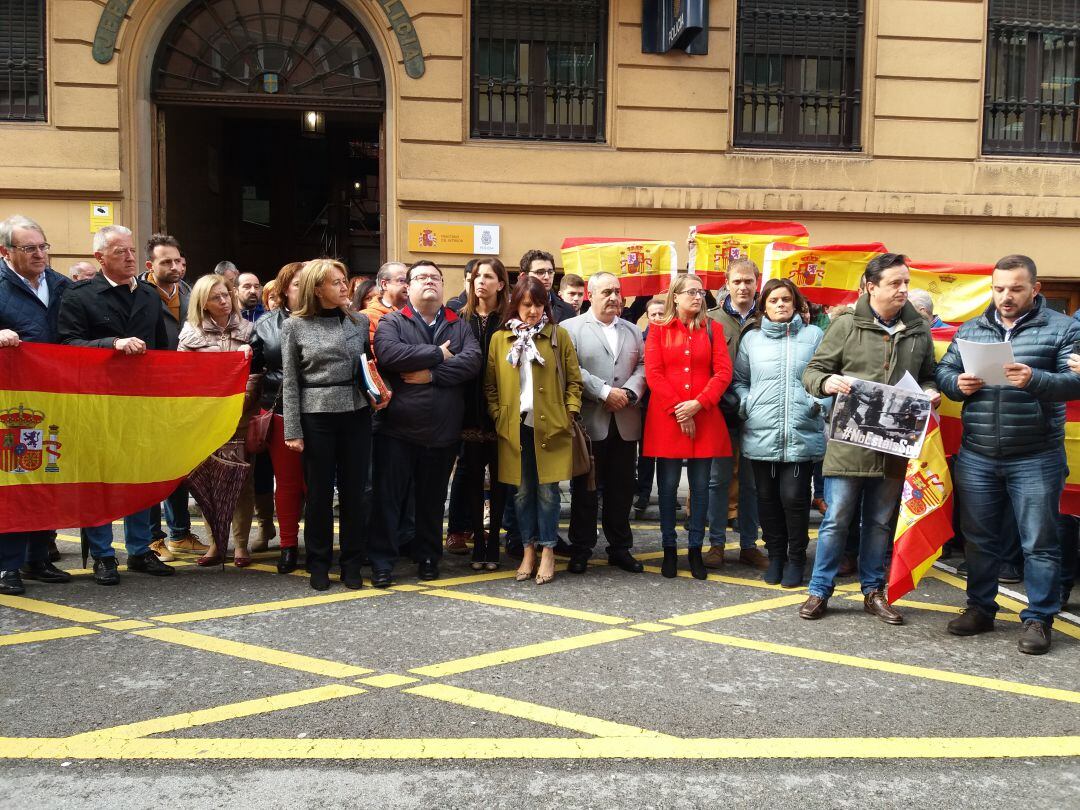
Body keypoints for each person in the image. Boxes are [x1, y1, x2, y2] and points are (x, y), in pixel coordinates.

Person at [937, 255, 1080, 655]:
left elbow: (1076, 383)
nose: (1006, 297)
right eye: (999, 289)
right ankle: (980, 609)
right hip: (979, 454)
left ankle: (1038, 618)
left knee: (1039, 542)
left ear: (1035, 290)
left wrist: (1037, 379)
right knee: (979, 541)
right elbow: (944, 371)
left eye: (1016, 289)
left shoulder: (1063, 328)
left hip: (1036, 455)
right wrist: (956, 383)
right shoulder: (972, 328)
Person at [800, 253, 940, 624]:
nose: (904, 290)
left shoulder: (917, 329)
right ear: (870, 286)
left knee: (880, 522)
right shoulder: (847, 324)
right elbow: (814, 371)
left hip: (895, 445)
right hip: (849, 441)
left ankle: (874, 591)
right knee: (838, 518)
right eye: (895, 283)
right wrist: (827, 383)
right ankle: (819, 590)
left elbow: (929, 375)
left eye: (906, 282)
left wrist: (930, 392)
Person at [57, 224, 173, 585]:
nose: (129, 256)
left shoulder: (150, 296)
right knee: (100, 481)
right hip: (97, 403)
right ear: (99, 257)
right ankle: (104, 556)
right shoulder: (79, 296)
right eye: (119, 251)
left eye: (131, 251)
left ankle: (140, 550)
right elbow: (68, 346)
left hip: (139, 403)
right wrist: (112, 343)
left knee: (138, 477)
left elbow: (162, 351)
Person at [369, 260, 482, 586]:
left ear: (442, 285)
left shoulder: (458, 324)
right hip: (397, 431)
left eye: (434, 277)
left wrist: (429, 374)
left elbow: (471, 362)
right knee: (388, 501)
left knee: (432, 502)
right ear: (409, 287)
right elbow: (389, 354)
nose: (428, 281)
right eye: (420, 277)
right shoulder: (393, 321)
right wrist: (438, 354)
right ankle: (382, 562)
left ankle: (429, 557)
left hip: (442, 433)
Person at [282, 259, 378, 591]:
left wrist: (376, 393)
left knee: (355, 494)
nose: (343, 287)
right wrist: (292, 429)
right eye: (335, 282)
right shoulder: (295, 326)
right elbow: (290, 382)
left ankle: (352, 563)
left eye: (344, 281)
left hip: (356, 413)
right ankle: (319, 563)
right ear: (317, 288)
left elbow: (366, 367)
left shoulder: (360, 321)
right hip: (316, 415)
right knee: (320, 495)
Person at [486, 274, 583, 585]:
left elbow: (574, 381)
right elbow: (490, 385)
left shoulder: (558, 335)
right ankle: (528, 549)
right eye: (527, 304)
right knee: (523, 493)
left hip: (550, 426)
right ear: (516, 304)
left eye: (539, 304)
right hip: (514, 426)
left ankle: (549, 551)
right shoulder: (501, 339)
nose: (533, 311)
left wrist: (569, 413)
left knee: (548, 493)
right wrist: (499, 414)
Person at [733, 278, 827, 588]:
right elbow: (739, 381)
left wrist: (817, 403)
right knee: (767, 499)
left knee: (794, 499)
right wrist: (747, 403)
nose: (781, 305)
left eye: (786, 299)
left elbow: (827, 375)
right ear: (764, 307)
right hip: (761, 430)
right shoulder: (752, 340)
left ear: (795, 302)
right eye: (774, 300)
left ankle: (797, 559)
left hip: (801, 430)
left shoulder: (814, 335)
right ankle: (776, 557)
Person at [0, 214, 72, 594]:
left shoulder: (62, 284)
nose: (40, 254)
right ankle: (7, 566)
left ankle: (37, 557)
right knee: (17, 479)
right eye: (30, 249)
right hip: (13, 406)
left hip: (55, 399)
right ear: (5, 252)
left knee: (47, 477)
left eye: (43, 247)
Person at [644, 273, 733, 580]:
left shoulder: (714, 329)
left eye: (701, 292)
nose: (698, 297)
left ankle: (695, 548)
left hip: (704, 416)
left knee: (700, 489)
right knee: (667, 488)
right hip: (667, 419)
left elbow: (722, 373)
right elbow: (654, 374)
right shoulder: (657, 330)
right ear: (676, 297)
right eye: (691, 292)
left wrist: (698, 404)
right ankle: (670, 548)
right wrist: (681, 411)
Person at [563, 272, 647, 574]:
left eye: (617, 292)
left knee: (622, 489)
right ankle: (581, 548)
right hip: (589, 422)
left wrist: (629, 392)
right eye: (607, 292)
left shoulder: (632, 330)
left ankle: (620, 548)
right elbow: (570, 367)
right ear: (590, 293)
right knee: (585, 489)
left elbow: (642, 365)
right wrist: (603, 392)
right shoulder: (569, 329)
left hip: (625, 420)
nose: (614, 297)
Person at [177, 274, 260, 566]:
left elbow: (257, 374)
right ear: (203, 303)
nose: (224, 301)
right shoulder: (190, 335)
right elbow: (184, 379)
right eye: (216, 297)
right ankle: (215, 544)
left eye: (226, 295)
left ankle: (240, 545)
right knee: (208, 482)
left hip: (240, 417)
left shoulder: (250, 330)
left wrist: (240, 399)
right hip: (205, 419)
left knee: (241, 481)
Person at [139, 232, 203, 562]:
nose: (176, 266)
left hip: (182, 394)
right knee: (151, 470)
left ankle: (180, 534)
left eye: (179, 261)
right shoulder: (136, 293)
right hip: (147, 395)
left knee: (179, 466)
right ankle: (152, 538)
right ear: (151, 265)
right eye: (167, 262)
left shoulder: (192, 294)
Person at [705, 259, 764, 571]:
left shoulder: (767, 319)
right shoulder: (711, 320)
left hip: (758, 414)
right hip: (720, 412)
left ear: (757, 283)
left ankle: (748, 544)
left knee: (752, 484)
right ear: (727, 283)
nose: (743, 287)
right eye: (737, 281)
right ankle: (715, 543)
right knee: (718, 481)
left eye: (749, 282)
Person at [251, 261, 307, 574]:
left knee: (318, 484)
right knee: (287, 484)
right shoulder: (265, 325)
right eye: (298, 284)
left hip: (321, 410)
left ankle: (318, 543)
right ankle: (288, 546)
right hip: (280, 409)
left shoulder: (330, 319)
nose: (306, 289)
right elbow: (250, 369)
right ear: (285, 289)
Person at [457, 257, 510, 569]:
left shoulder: (508, 320)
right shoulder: (458, 318)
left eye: (488, 277)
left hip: (501, 411)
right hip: (467, 412)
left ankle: (494, 543)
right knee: (474, 479)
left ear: (500, 284)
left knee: (501, 481)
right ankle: (478, 539)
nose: (481, 282)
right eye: (477, 276)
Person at [634, 296, 667, 517]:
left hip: (667, 404)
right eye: (653, 314)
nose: (656, 318)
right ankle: (644, 493)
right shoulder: (640, 340)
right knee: (646, 453)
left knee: (666, 454)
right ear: (647, 317)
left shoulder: (674, 337)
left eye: (660, 314)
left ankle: (667, 494)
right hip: (645, 405)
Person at [519, 249, 575, 323]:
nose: (547, 277)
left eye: (550, 272)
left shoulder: (568, 309)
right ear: (523, 276)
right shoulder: (509, 308)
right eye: (540, 272)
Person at [361, 261, 408, 348]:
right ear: (384, 284)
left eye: (409, 281)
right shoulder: (367, 316)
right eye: (401, 281)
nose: (407, 285)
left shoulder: (415, 313)